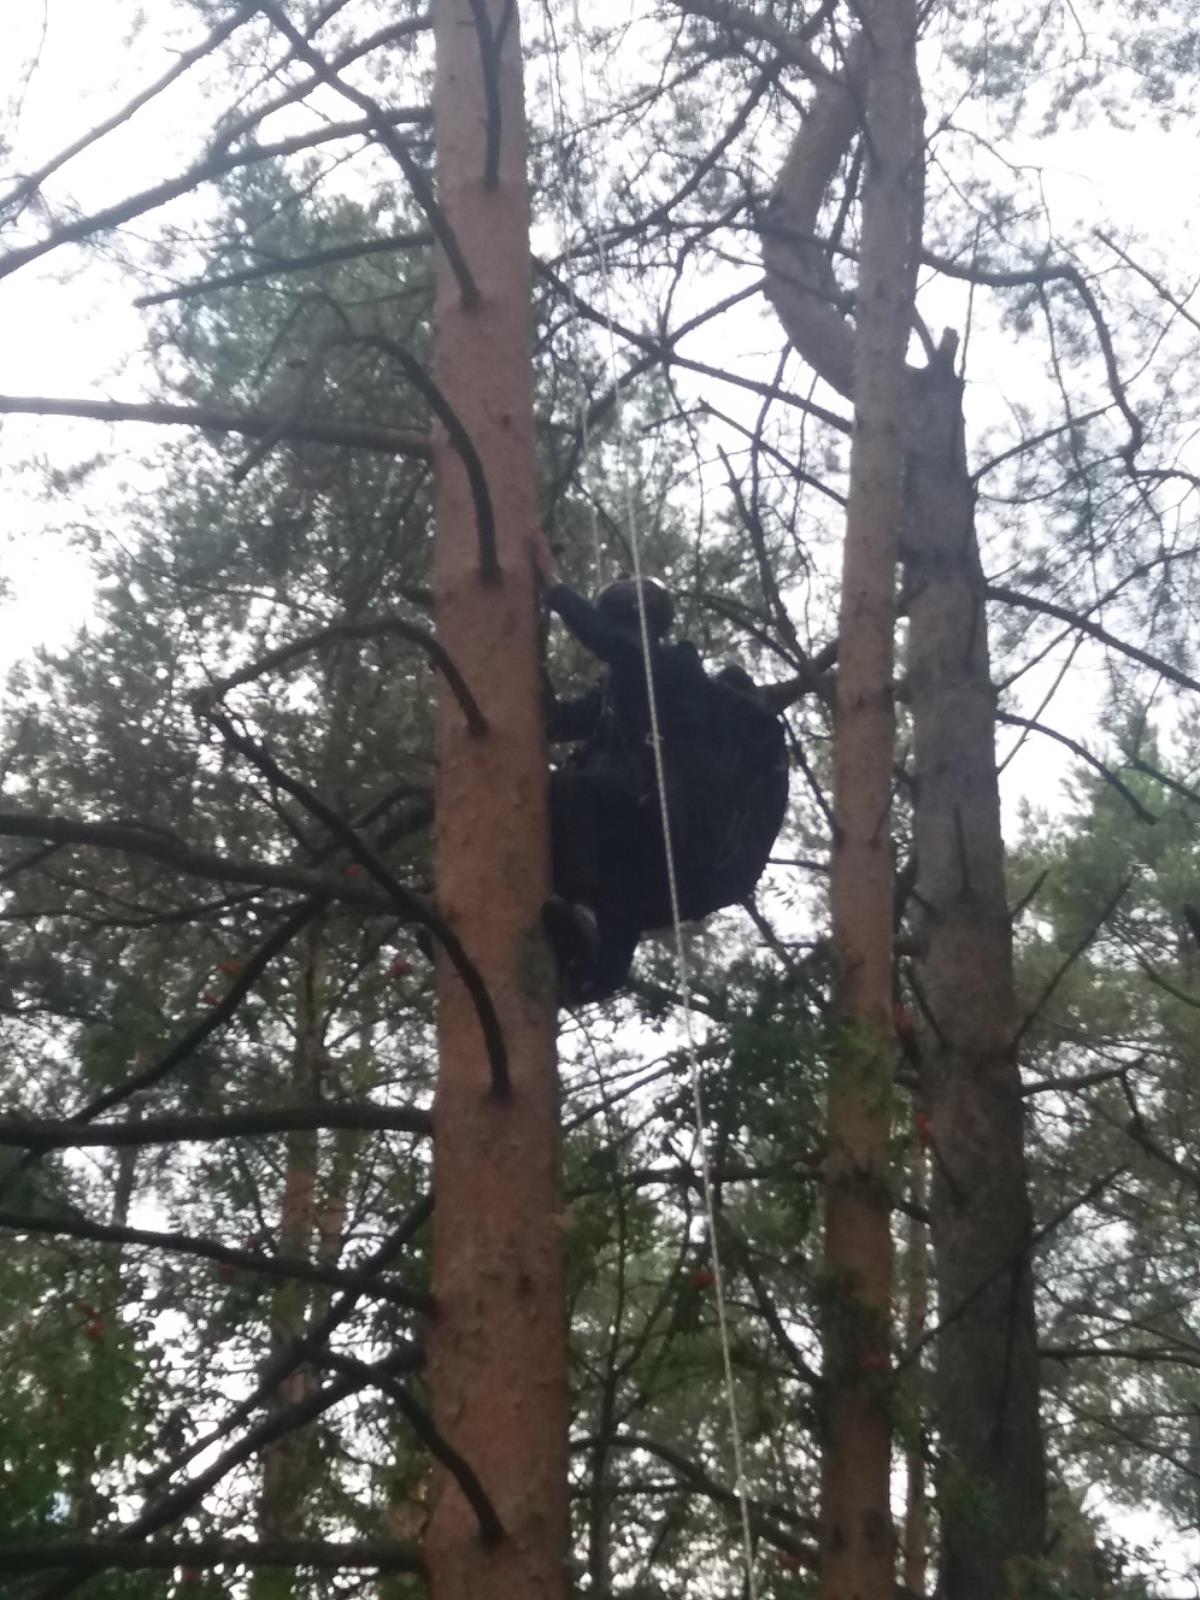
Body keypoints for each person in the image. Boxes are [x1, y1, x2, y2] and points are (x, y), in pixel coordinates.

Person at [533, 528, 788, 1002]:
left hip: (672, 821)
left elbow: (620, 649)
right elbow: (558, 720)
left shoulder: (674, 669)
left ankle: (584, 916)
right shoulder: (614, 697)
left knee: (570, 791)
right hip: (650, 839)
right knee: (614, 876)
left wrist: (553, 584)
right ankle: (590, 967)